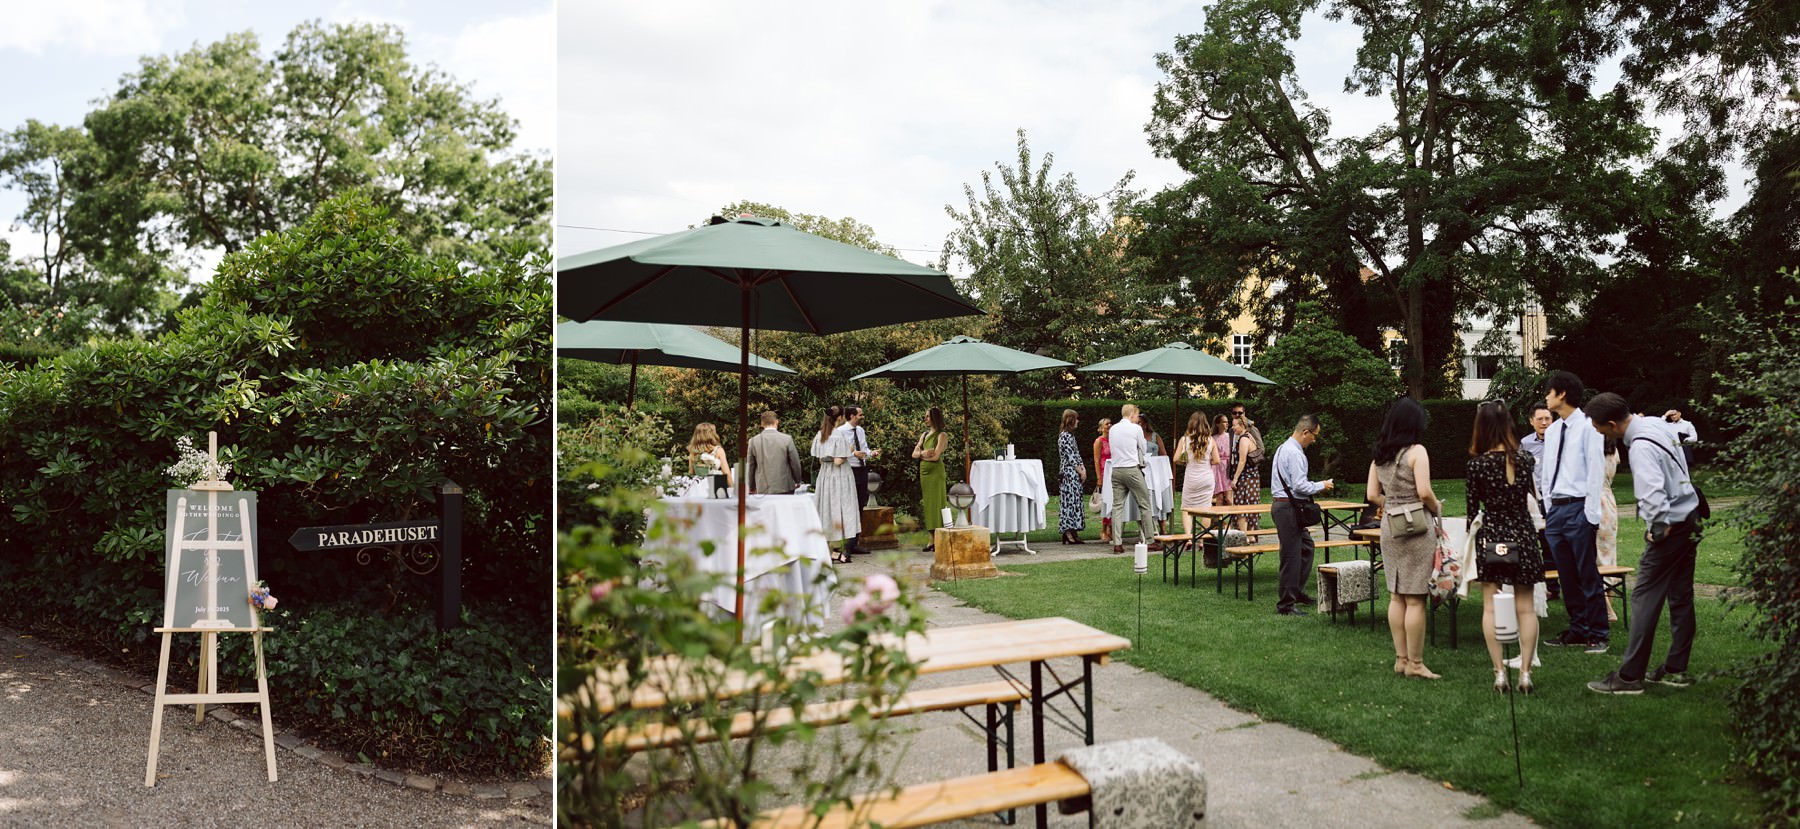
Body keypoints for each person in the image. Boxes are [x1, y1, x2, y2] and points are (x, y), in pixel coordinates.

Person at [1585, 392, 1703, 695]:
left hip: (1671, 526)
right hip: (1691, 515)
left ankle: (1629, 678)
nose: (1600, 434)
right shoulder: (1653, 424)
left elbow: (1652, 494)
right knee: (1680, 595)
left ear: (1612, 423)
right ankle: (1676, 669)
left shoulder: (1640, 447)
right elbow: (1687, 432)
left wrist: (1657, 528)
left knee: (1643, 598)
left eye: (1600, 429)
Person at [1466, 401, 1544, 694]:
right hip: (1523, 535)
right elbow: (1530, 498)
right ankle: (1524, 672)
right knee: (1525, 608)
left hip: (1493, 536)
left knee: (1490, 606)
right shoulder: (1525, 460)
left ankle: (1499, 673)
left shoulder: (1477, 464)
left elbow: (1472, 511)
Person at [1365, 398, 1443, 676]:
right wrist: (1437, 507)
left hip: (1390, 526)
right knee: (1415, 599)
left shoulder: (1380, 454)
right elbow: (1424, 492)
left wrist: (1392, 504)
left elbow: (1373, 495)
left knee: (1396, 596)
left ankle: (1400, 659)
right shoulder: (1417, 451)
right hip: (1416, 527)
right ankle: (1416, 664)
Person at [1539, 370, 1611, 653]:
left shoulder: (1588, 426)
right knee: (1566, 575)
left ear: (1562, 394)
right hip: (1556, 510)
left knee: (1587, 573)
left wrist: (1591, 515)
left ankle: (1599, 633)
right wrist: (1548, 508)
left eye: (1549, 391)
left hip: (1580, 507)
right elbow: (1546, 472)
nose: (1546, 396)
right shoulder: (1554, 430)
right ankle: (1578, 629)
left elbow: (1596, 471)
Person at [1271, 414, 1335, 617]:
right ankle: (1286, 605)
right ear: (1305, 432)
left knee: (1306, 546)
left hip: (1285, 507)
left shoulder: (1283, 448)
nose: (1314, 440)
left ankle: (1296, 591)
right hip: (1288, 508)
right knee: (1290, 557)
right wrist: (1322, 485)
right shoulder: (1296, 454)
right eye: (1314, 436)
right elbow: (1299, 485)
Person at [1107, 404, 1160, 553]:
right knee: (1144, 504)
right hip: (1131, 469)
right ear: (1131, 414)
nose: (1138, 419)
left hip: (1116, 470)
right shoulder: (1135, 429)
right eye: (1137, 415)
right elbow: (1143, 448)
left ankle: (1117, 543)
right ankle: (1150, 541)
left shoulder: (1113, 429)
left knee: (1117, 507)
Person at [811, 407, 861, 564]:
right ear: (839, 417)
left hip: (825, 476)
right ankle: (843, 552)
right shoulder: (838, 435)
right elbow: (839, 461)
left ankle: (831, 551)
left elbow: (820, 459)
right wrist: (850, 450)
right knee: (844, 510)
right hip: (840, 477)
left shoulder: (820, 434)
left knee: (827, 509)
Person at [1172, 411, 1219, 536]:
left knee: (1186, 508)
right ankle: (1203, 538)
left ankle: (1188, 537)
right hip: (1207, 478)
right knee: (1206, 509)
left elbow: (1175, 459)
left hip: (1191, 478)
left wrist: (1185, 461)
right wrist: (1207, 460)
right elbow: (1217, 460)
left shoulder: (1184, 440)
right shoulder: (1211, 440)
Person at [844, 406, 880, 556]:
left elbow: (864, 449)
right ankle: (845, 543)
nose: (862, 417)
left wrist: (872, 453)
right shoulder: (840, 432)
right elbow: (839, 452)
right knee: (848, 506)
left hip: (862, 470)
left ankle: (855, 543)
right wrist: (853, 453)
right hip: (849, 470)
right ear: (852, 416)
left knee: (860, 505)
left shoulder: (860, 431)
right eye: (860, 414)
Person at [913, 406, 949, 552]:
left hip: (935, 473)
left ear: (934, 418)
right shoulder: (924, 434)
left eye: (927, 416)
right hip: (924, 474)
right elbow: (914, 454)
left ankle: (939, 537)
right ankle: (931, 538)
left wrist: (923, 453)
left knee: (937, 503)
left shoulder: (942, 435)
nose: (925, 419)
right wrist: (923, 453)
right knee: (928, 504)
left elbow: (935, 457)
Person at [745, 410, 803, 494]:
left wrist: (751, 486)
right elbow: (795, 463)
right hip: (785, 487)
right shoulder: (787, 439)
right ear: (777, 422)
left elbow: (751, 466)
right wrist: (797, 480)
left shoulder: (753, 441)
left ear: (762, 424)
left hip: (763, 488)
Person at [1597, 437, 1622, 622]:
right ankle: (1608, 605)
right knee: (1608, 557)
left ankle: (1606, 608)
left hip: (1593, 502)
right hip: (1609, 503)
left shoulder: (1591, 452)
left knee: (1593, 556)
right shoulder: (1613, 452)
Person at [1056, 409, 1088, 545]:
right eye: (1076, 419)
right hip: (1068, 474)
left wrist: (1083, 468)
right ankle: (1068, 531)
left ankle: (1073, 530)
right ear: (1071, 420)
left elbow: (1076, 454)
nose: (1078, 421)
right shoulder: (1064, 436)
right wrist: (1080, 470)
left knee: (1075, 502)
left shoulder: (1070, 436)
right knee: (1069, 502)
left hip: (1074, 473)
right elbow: (1070, 457)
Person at [1228, 416, 1262, 532]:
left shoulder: (1243, 439)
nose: (1232, 428)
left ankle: (1244, 535)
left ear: (1241, 425)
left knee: (1241, 506)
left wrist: (1235, 479)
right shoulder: (1250, 436)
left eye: (1234, 425)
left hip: (1245, 478)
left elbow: (1242, 461)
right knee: (1251, 504)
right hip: (1253, 477)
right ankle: (1251, 534)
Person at [687, 423, 732, 493]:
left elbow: (691, 473)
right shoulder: (718, 451)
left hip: (697, 487)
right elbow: (726, 473)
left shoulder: (693, 452)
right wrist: (733, 489)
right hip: (713, 486)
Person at [1093, 418, 1114, 544]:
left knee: (1113, 501)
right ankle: (1104, 529)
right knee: (1106, 501)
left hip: (1113, 473)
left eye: (1110, 423)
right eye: (1107, 424)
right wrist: (1099, 477)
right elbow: (1096, 459)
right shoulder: (1099, 441)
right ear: (1101, 427)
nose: (1109, 425)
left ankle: (1111, 527)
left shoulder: (1114, 440)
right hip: (1104, 472)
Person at [1210, 414, 1234, 507]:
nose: (1227, 424)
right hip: (1217, 468)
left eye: (1227, 422)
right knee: (1218, 498)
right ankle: (1217, 520)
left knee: (1228, 498)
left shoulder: (1230, 436)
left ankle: (1235, 519)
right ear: (1217, 424)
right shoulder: (1212, 438)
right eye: (1224, 422)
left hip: (1227, 468)